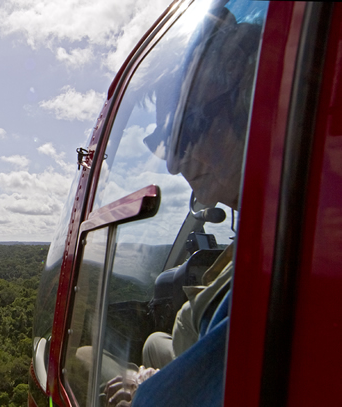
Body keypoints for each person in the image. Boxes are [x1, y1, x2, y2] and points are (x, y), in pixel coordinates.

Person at [104, 1, 264, 406]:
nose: (175, 163)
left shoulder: (268, 280)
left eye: (189, 128)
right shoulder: (271, 224)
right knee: (159, 342)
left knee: (88, 358)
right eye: (165, 141)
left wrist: (145, 391)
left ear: (251, 104)